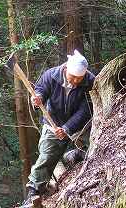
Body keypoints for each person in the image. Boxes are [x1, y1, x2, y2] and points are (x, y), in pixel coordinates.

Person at [22, 49, 95, 206]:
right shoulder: (51, 75)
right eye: (73, 77)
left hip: (80, 126)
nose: (75, 81)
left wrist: (67, 128)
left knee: (89, 148)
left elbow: (86, 110)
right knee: (47, 155)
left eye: (79, 78)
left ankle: (76, 154)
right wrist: (38, 98)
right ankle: (34, 191)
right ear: (66, 69)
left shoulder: (90, 81)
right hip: (53, 122)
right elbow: (40, 89)